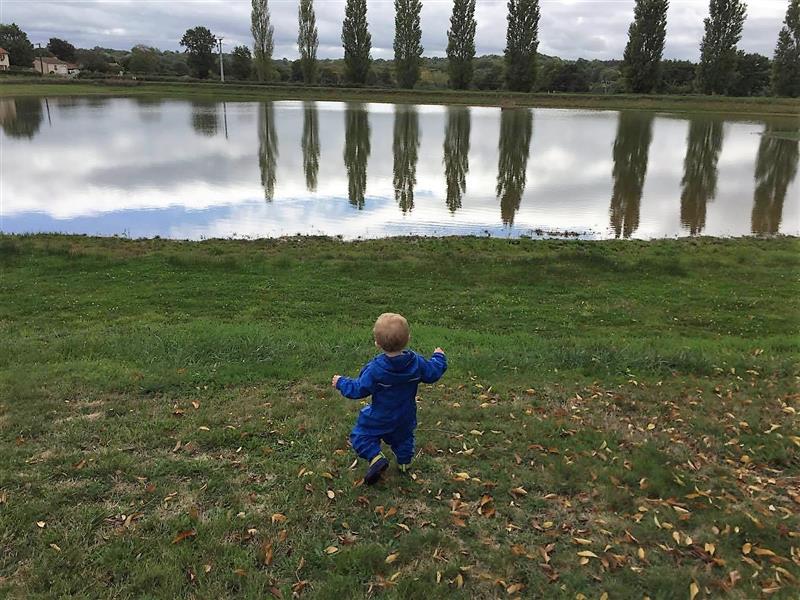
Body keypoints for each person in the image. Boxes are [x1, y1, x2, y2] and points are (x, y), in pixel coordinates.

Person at [331, 313, 447, 485]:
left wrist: (341, 382)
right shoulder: (417, 363)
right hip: (405, 415)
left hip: (380, 416)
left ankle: (375, 457)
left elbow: (358, 389)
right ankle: (404, 463)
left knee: (361, 435)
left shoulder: (375, 369)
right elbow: (433, 373)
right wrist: (439, 357)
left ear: (377, 343)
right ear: (408, 338)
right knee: (404, 438)